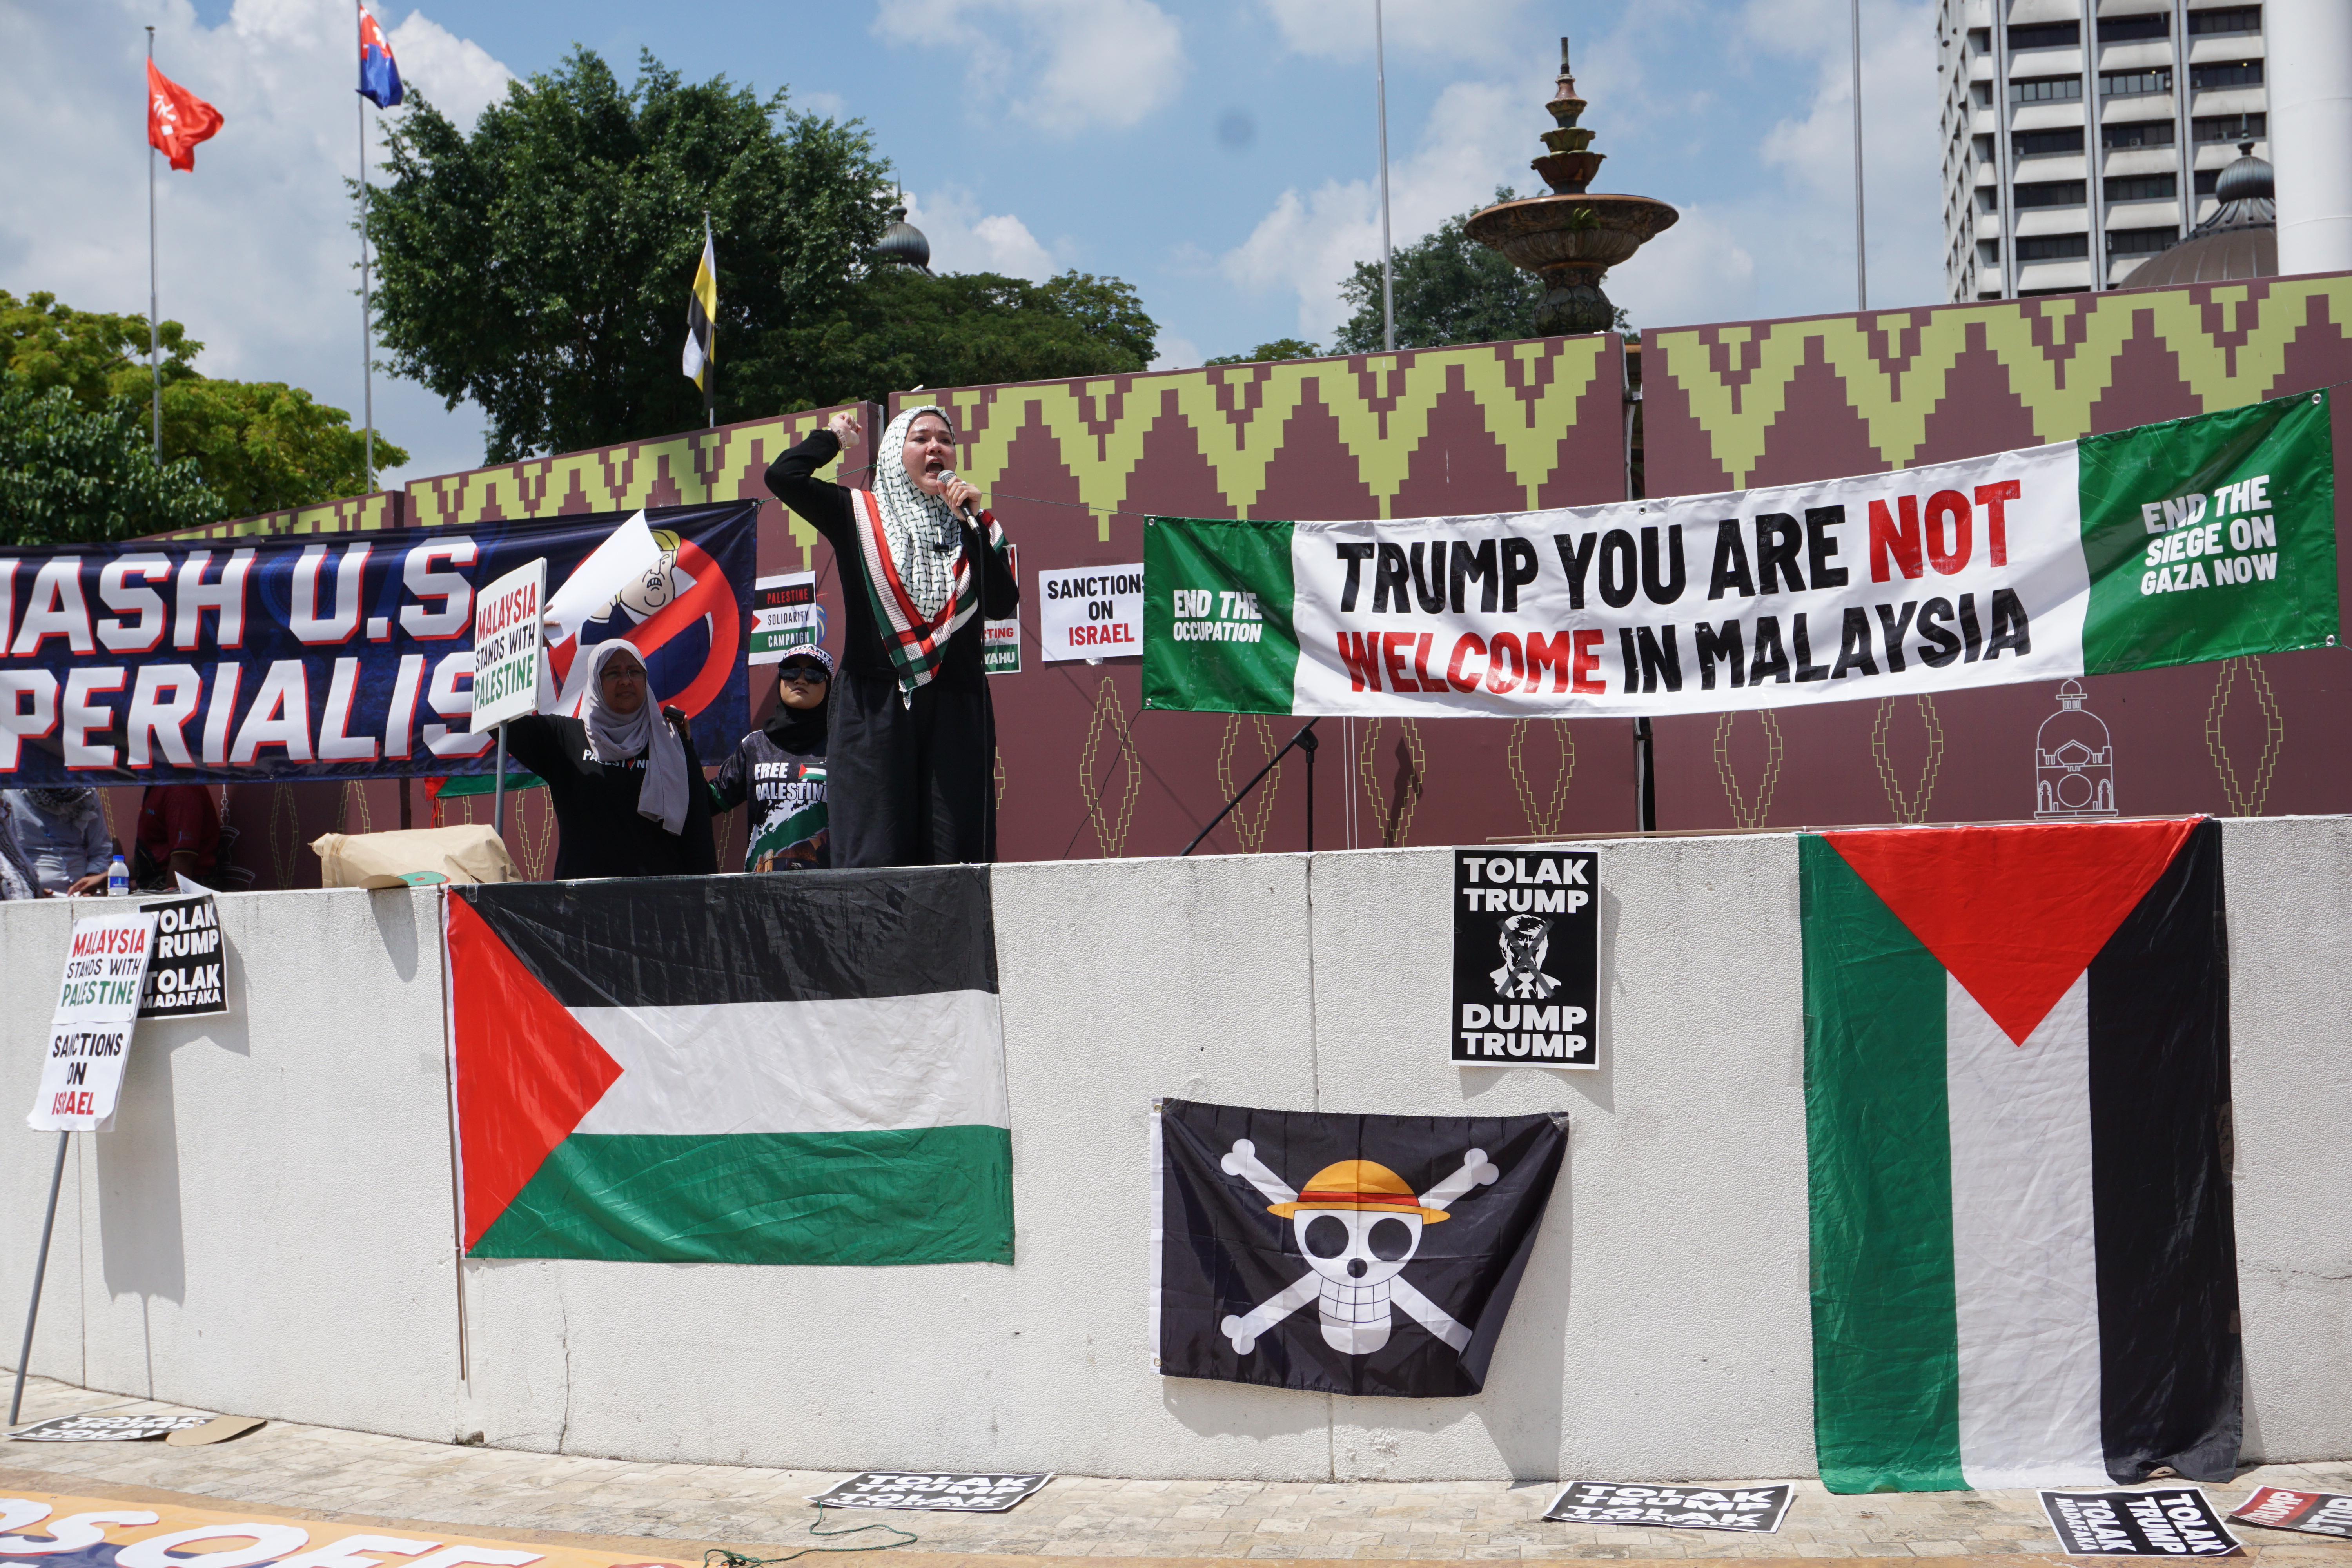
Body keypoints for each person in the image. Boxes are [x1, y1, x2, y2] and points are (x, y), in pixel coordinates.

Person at [764, 404, 1018, 867]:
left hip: (957, 706)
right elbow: (783, 476)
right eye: (920, 438)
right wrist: (833, 437)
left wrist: (972, 524)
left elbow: (1002, 603)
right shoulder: (856, 513)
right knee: (873, 851)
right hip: (874, 707)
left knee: (956, 854)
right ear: (894, 452)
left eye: (945, 438)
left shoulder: (976, 526)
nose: (935, 446)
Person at [502, 641, 717, 880]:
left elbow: (698, 834)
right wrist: (522, 643)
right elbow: (499, 719)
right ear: (595, 681)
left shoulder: (672, 742)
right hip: (584, 906)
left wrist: (706, 903)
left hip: (660, 907)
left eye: (634, 672)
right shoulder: (563, 738)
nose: (625, 680)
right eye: (613, 673)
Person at [710, 646, 832, 871]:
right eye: (791, 672)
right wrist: (681, 750)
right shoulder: (754, 746)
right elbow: (709, 801)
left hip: (826, 890)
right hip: (760, 892)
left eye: (814, 675)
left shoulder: (842, 747)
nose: (801, 680)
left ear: (830, 687)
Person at [4, 788, 113, 895]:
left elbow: (101, 849)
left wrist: (93, 877)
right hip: (31, 893)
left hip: (81, 894)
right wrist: (28, 887)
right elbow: (5, 856)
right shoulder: (9, 794)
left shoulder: (86, 793)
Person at [135, 784, 222, 890]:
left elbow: (184, 857)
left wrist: (170, 902)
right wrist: (115, 872)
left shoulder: (182, 789)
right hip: (155, 886)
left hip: (189, 889)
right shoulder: (157, 786)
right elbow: (151, 858)